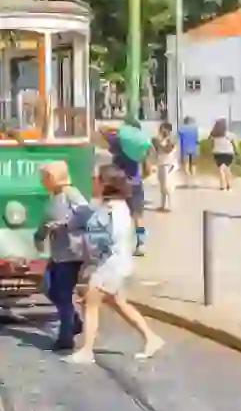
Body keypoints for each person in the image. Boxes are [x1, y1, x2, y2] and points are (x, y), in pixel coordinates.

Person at [64, 166, 164, 364]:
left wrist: (85, 244)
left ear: (105, 184)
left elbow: (108, 237)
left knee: (91, 303)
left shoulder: (113, 209)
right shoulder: (110, 206)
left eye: (95, 178)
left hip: (109, 265)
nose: (92, 181)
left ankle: (87, 350)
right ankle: (151, 338)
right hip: (112, 263)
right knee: (118, 303)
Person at [34, 161, 88, 351]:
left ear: (55, 177)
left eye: (46, 176)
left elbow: (85, 214)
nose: (43, 180)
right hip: (57, 253)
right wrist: (39, 235)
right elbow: (46, 219)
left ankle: (65, 338)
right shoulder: (53, 196)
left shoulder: (70, 194)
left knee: (63, 294)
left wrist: (64, 224)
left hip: (71, 252)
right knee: (48, 287)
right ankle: (73, 320)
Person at [100, 122, 148, 256]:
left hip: (118, 183)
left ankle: (109, 242)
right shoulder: (139, 147)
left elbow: (102, 129)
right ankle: (141, 243)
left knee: (110, 212)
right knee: (137, 216)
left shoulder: (118, 144)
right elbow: (147, 167)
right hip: (135, 182)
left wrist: (118, 128)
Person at [151, 122, 178, 212]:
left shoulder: (172, 139)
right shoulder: (160, 139)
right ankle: (163, 205)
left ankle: (169, 206)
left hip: (169, 164)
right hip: (161, 164)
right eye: (161, 129)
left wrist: (159, 144)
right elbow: (156, 151)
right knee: (162, 186)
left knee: (168, 186)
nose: (162, 131)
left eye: (163, 129)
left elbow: (168, 150)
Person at [209, 118, 236, 191]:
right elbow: (234, 144)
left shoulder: (213, 134)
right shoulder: (229, 134)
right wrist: (237, 152)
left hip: (217, 153)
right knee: (227, 169)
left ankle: (222, 186)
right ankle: (229, 186)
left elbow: (211, 144)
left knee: (221, 169)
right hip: (228, 153)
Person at [178, 116, 199, 181]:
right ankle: (193, 175)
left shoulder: (182, 129)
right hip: (194, 147)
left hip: (185, 147)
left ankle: (188, 176)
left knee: (186, 163)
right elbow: (197, 138)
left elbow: (178, 137)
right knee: (193, 163)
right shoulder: (195, 129)